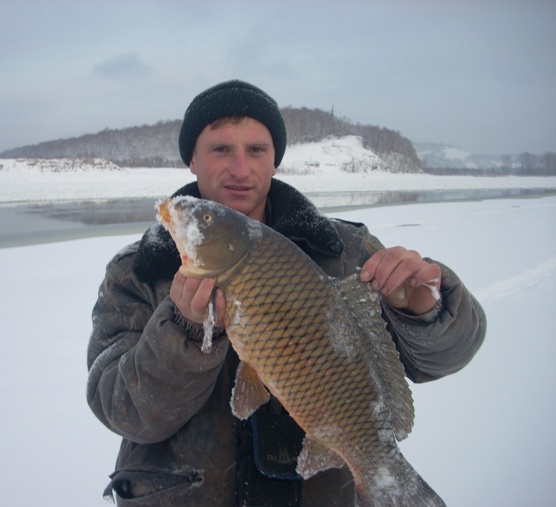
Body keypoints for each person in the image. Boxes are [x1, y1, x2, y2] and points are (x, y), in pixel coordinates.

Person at [86, 80, 486, 506]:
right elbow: (122, 410)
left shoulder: (343, 251)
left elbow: (449, 356)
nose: (240, 169)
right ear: (192, 159)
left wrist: (425, 310)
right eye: (221, 149)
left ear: (274, 159)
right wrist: (185, 331)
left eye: (256, 150)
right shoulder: (137, 272)